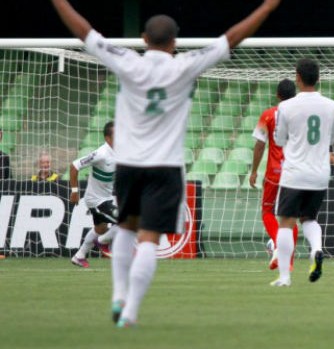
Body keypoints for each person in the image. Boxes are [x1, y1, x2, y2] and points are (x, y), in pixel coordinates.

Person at [51, 0, 281, 327]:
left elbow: (83, 30)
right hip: (166, 168)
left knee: (127, 229)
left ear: (144, 38)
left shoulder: (126, 61)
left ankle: (118, 295)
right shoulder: (185, 65)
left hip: (129, 164)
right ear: (174, 43)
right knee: (149, 238)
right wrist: (267, 8)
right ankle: (130, 311)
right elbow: (232, 37)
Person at [271, 58, 334, 287]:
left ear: (297, 77)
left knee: (285, 222)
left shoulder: (286, 106)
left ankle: (284, 277)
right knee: (309, 218)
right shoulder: (331, 106)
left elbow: (279, 140)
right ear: (318, 78)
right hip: (320, 174)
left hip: (295, 173)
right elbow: (333, 139)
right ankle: (317, 250)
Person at [249, 78, 299, 271]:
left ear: (277, 95)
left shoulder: (268, 115)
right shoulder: (300, 116)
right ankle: (289, 262)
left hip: (274, 172)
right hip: (295, 172)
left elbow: (260, 145)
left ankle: (278, 246)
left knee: (267, 212)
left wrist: (254, 171)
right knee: (291, 217)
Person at [69, 121, 118, 268]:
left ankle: (79, 256)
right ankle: (103, 242)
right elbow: (74, 166)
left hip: (106, 197)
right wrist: (75, 191)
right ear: (108, 138)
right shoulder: (101, 154)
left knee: (100, 228)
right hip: (95, 200)